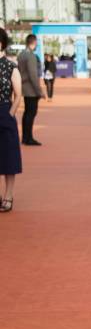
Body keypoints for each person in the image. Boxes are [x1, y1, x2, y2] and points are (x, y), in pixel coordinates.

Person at [0, 28, 22, 213]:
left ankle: (8, 195)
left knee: (8, 157)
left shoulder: (10, 66)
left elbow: (18, 94)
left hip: (4, 113)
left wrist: (10, 113)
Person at [17, 34, 44, 146]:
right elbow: (33, 75)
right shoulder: (31, 56)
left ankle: (25, 137)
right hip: (32, 89)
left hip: (24, 87)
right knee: (31, 113)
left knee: (27, 113)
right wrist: (39, 91)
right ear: (34, 42)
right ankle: (29, 138)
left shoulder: (21, 54)